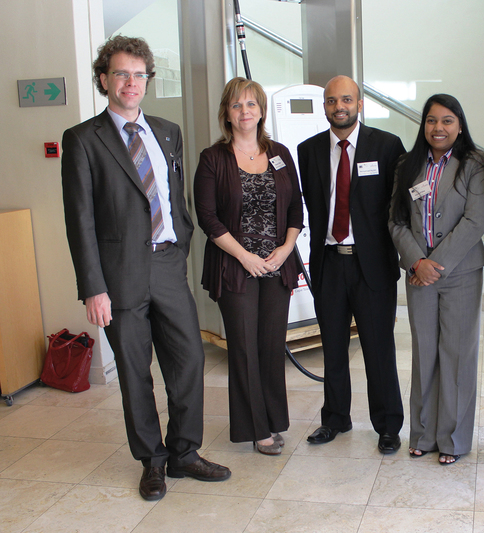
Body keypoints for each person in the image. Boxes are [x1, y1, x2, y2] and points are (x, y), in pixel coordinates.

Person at [61, 35, 231, 502]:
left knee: (189, 360)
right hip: (119, 277)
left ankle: (184, 452)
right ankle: (151, 462)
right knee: (136, 371)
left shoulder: (167, 130)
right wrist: (93, 289)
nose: (131, 82)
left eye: (139, 74)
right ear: (104, 79)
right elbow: (80, 221)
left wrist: (182, 240)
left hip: (167, 264)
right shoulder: (82, 140)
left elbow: (174, 197)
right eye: (121, 73)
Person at [194, 77, 303, 456]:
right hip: (236, 267)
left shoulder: (280, 153)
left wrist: (287, 249)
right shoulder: (213, 158)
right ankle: (257, 429)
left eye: (251, 104)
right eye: (237, 105)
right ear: (226, 112)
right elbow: (207, 218)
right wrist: (245, 256)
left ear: (261, 110)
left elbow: (295, 209)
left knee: (271, 347)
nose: (245, 112)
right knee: (243, 347)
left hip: (277, 265)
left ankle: (274, 420)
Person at [297, 75, 406, 453]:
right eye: (331, 100)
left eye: (346, 99)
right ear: (324, 106)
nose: (338, 106)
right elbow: (310, 205)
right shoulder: (307, 150)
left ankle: (388, 425)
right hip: (329, 263)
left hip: (372, 265)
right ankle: (335, 419)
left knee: (379, 347)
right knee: (333, 347)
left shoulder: (388, 146)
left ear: (360, 104)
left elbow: (400, 206)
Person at [389, 94, 484, 465]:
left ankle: (454, 439)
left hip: (460, 273)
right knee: (425, 353)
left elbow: (475, 222)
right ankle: (422, 433)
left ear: (459, 125)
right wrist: (417, 262)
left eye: (447, 121)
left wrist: (435, 264)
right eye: (432, 121)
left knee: (457, 355)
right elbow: (396, 220)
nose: (439, 128)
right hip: (419, 276)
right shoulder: (407, 164)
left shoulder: (475, 164)